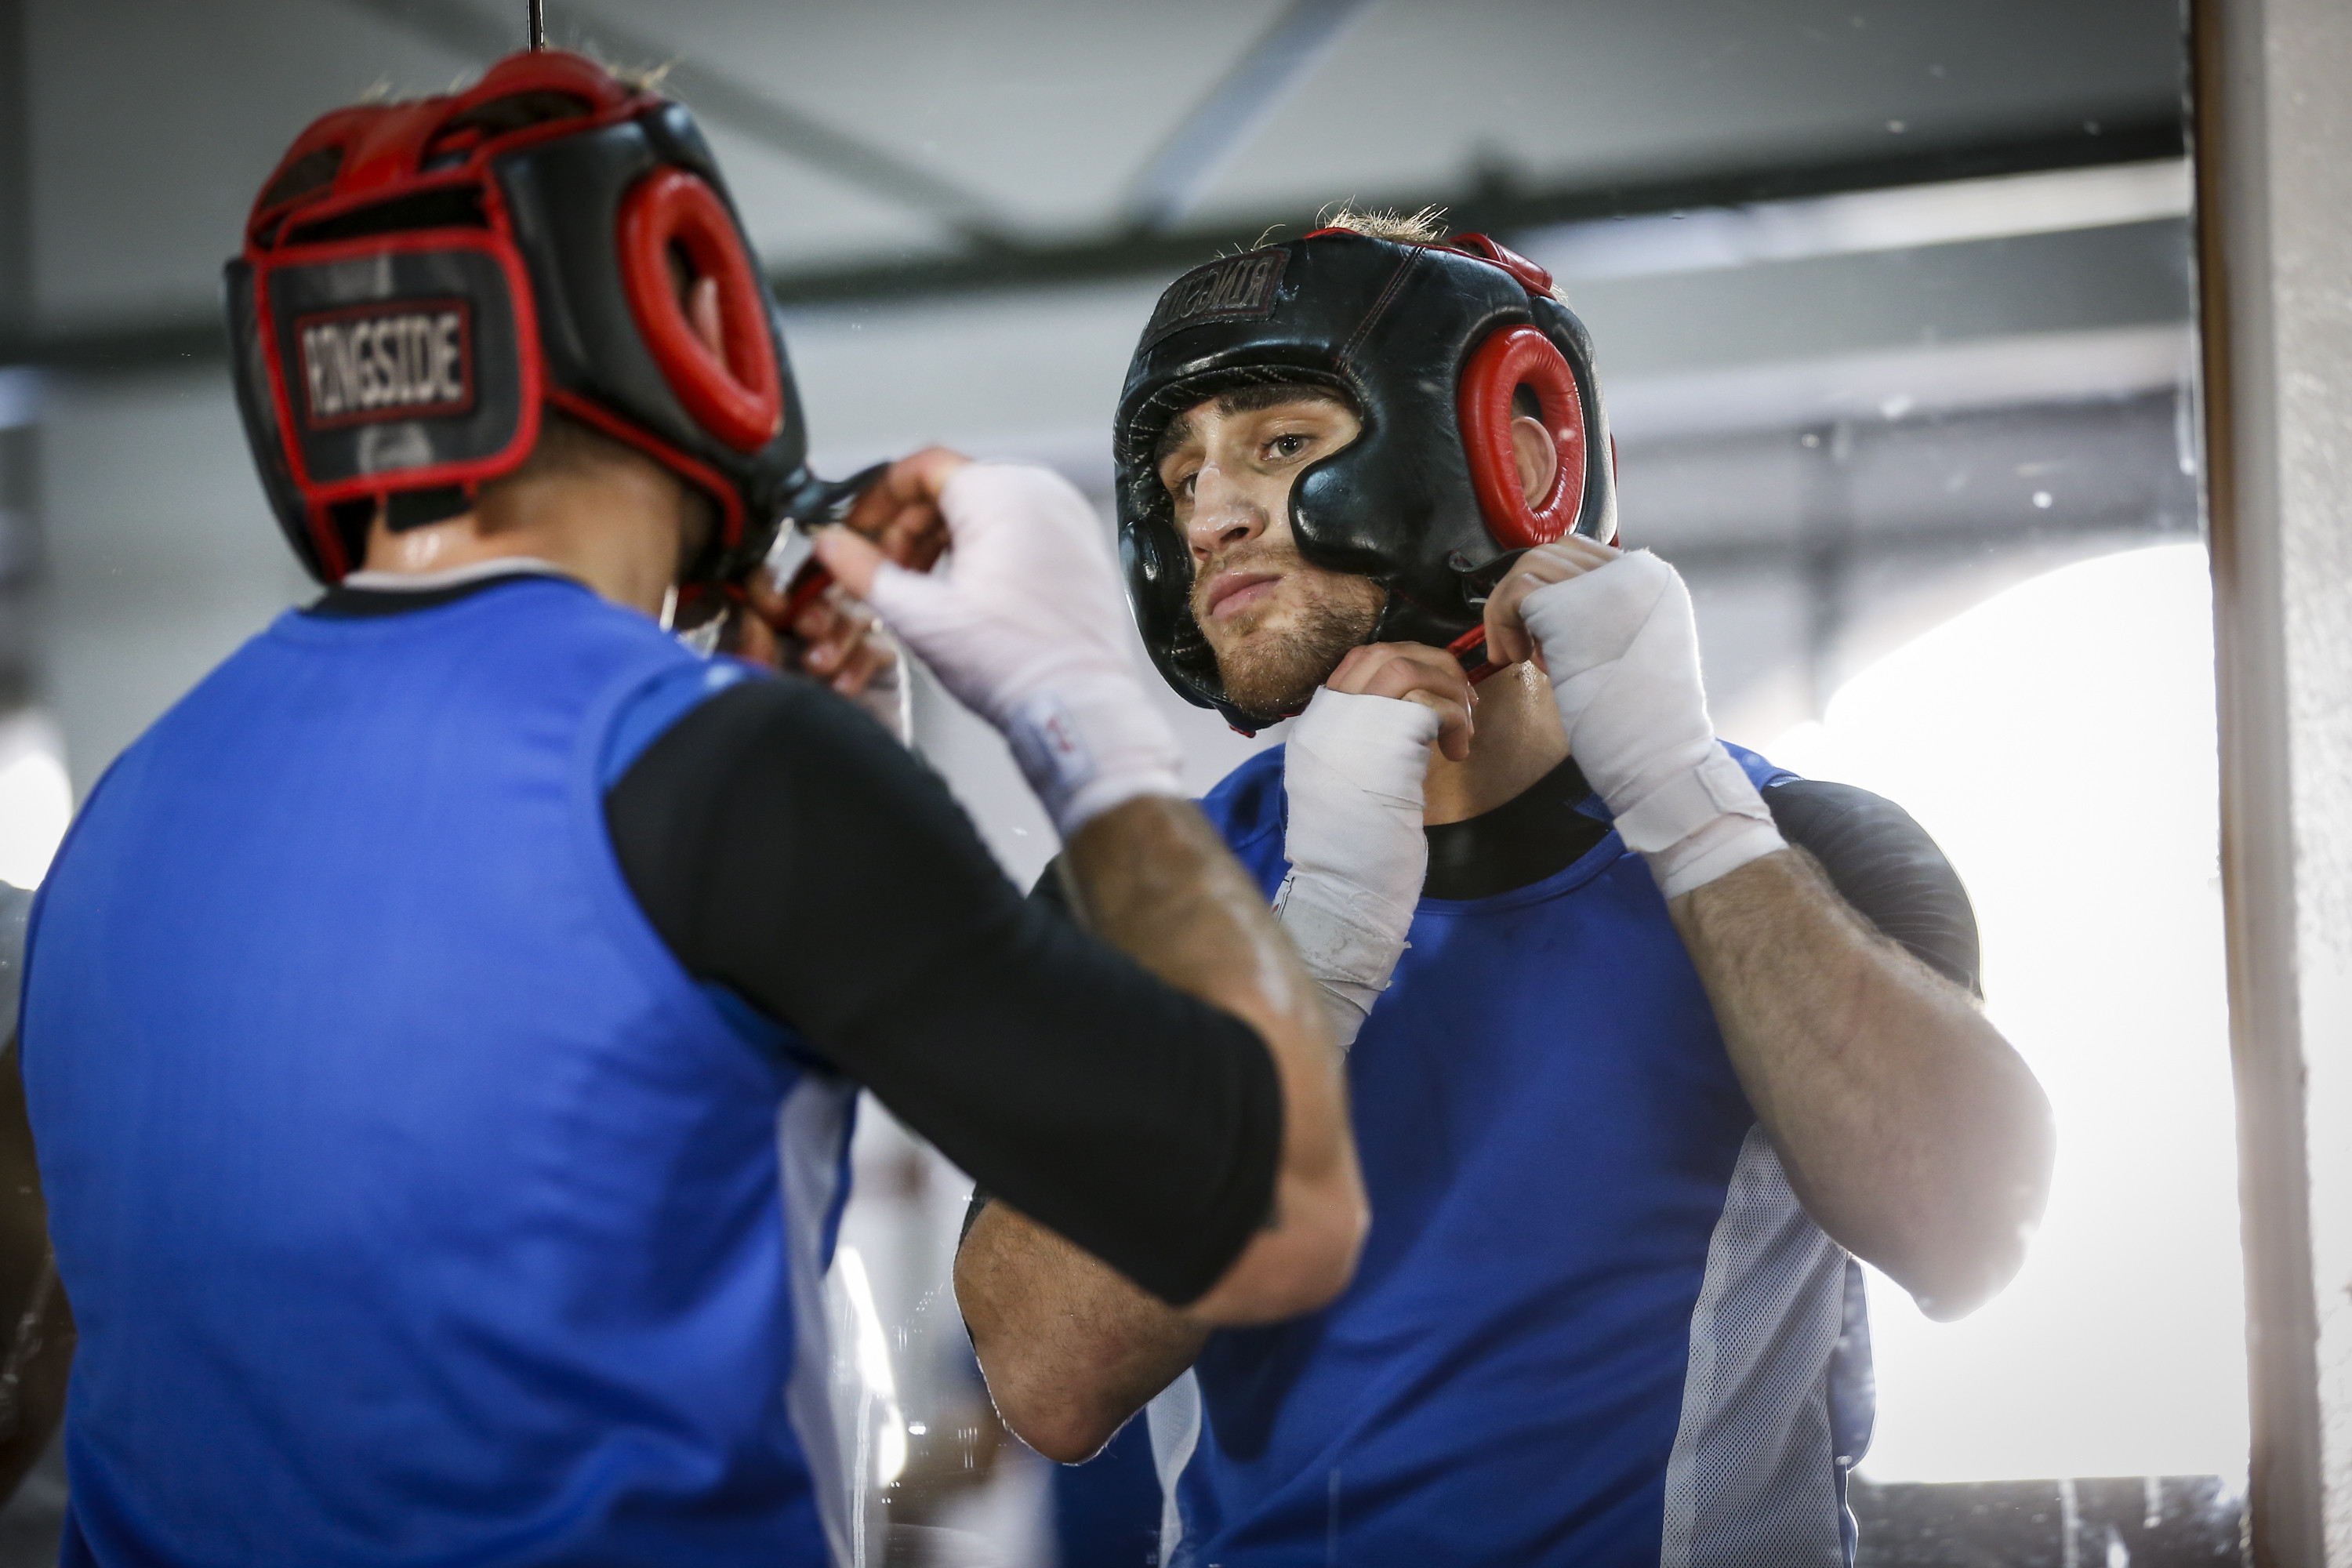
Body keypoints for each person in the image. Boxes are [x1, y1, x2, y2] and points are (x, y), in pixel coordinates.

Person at [14, 52, 1366, 1566]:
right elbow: (1279, 1210)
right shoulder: (716, 774)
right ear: (684, 317)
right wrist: (1075, 714)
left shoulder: (123, 813)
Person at [952, 212, 2058, 1567]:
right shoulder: (1139, 897)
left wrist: (1690, 812)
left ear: (1514, 449)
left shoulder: (1805, 852)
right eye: (1181, 477)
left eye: (1283, 445)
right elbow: (1049, 1376)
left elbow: (1965, 1233)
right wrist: (1319, 942)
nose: (1214, 512)